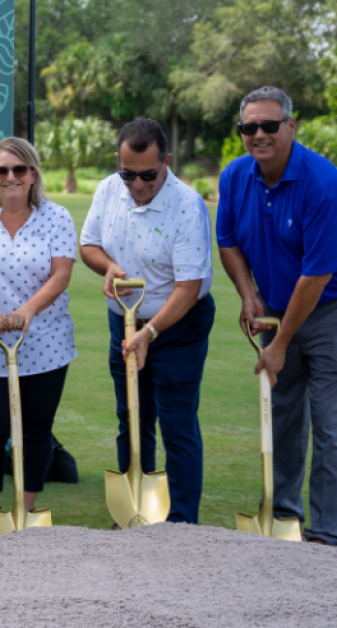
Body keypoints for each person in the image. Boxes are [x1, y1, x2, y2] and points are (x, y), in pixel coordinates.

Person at [216, 86, 337, 546]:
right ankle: (284, 516)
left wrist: (280, 344)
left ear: (291, 125)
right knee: (281, 416)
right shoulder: (234, 175)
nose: (259, 134)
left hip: (327, 312)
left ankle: (326, 532)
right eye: (249, 127)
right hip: (272, 308)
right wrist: (248, 295)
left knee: (330, 425)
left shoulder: (322, 184)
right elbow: (227, 239)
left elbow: (317, 274)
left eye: (269, 125)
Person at [80, 116, 214, 526]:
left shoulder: (187, 204)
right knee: (132, 415)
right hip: (124, 321)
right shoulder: (108, 189)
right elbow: (89, 245)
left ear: (167, 162)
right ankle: (136, 514)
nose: (137, 185)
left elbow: (188, 288)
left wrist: (149, 333)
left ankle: (182, 524)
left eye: (148, 175)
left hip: (178, 325)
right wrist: (109, 268)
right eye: (128, 174)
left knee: (176, 419)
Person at [0, 137, 77, 538]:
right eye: (1, 170)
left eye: (19, 170)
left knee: (37, 432)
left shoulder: (56, 217)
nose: (10, 177)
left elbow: (61, 274)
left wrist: (26, 311)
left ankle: (25, 513)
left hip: (46, 344)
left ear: (33, 175)